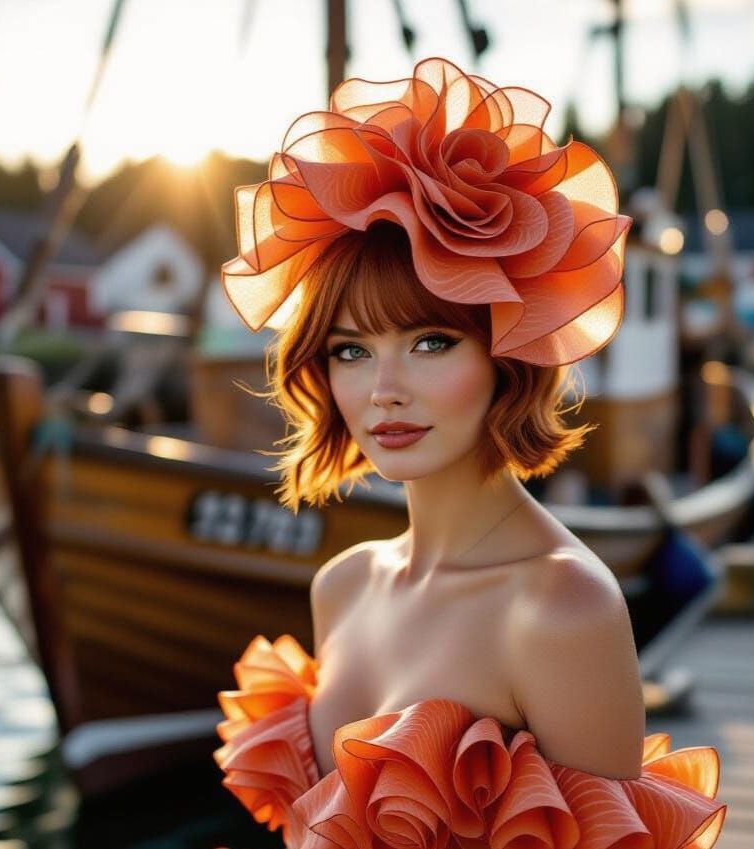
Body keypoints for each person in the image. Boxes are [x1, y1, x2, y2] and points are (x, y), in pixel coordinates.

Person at [214, 57, 727, 849]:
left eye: (429, 341)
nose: (383, 388)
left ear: (507, 354)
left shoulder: (563, 608)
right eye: (349, 350)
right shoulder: (343, 584)